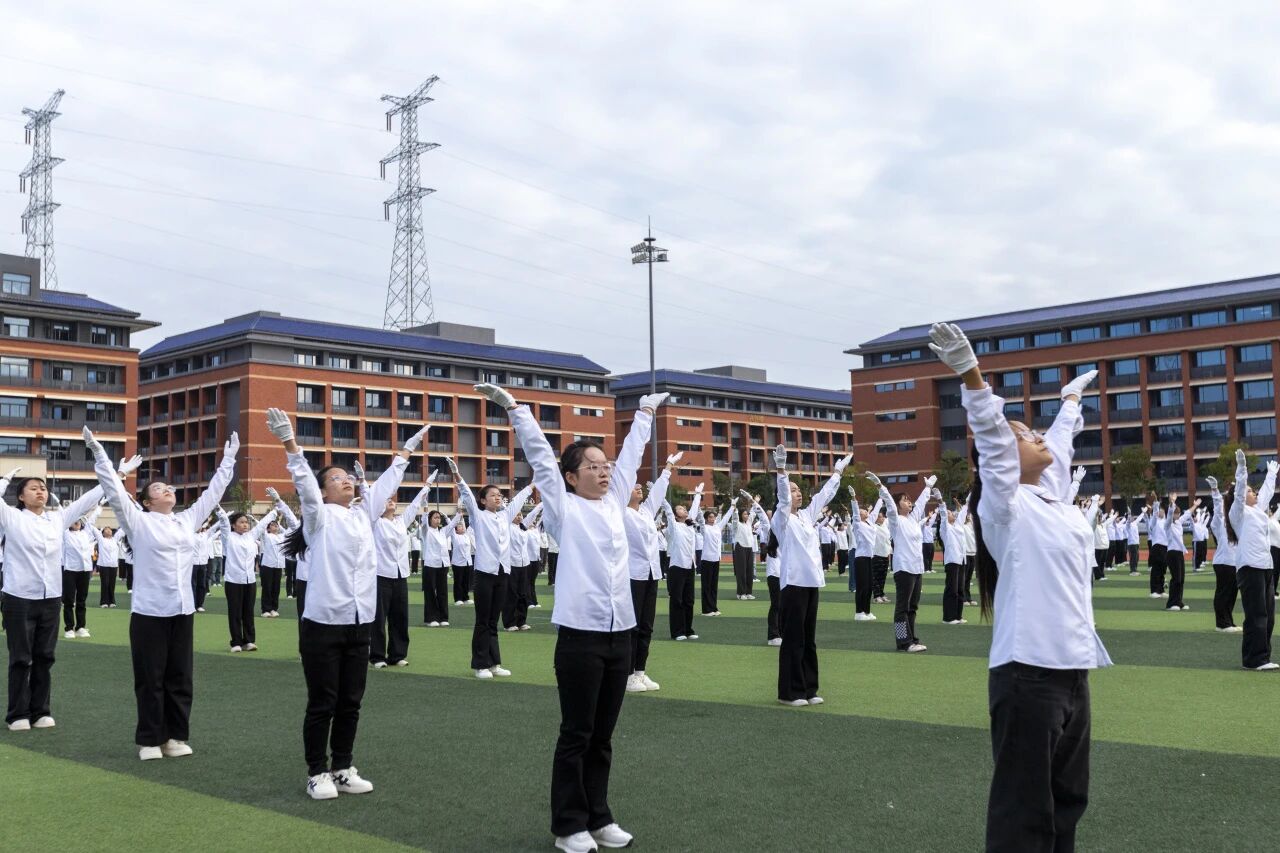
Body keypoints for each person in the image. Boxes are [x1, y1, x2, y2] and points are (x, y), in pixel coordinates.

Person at [929, 321, 1111, 852]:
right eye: (1025, 435)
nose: (1036, 437)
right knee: (1024, 813)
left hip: (1072, 671)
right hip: (1028, 674)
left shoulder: (1051, 497)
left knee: (1068, 802)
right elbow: (992, 439)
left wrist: (1070, 400)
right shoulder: (1005, 507)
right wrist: (971, 374)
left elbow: (1061, 442)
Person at [496, 379, 665, 853]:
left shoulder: (615, 502)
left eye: (604, 465)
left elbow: (631, 457)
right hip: (580, 637)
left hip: (620, 634)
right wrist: (516, 410)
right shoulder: (563, 509)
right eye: (592, 466)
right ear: (572, 477)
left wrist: (645, 415)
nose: (604, 471)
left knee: (603, 736)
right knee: (577, 733)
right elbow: (541, 459)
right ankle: (569, 825)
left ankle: (599, 816)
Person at [267, 407, 420, 799]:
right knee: (323, 702)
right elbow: (304, 484)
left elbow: (385, 486)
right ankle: (316, 772)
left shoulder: (363, 515)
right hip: (322, 624)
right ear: (324, 492)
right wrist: (290, 444)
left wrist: (404, 453)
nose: (346, 480)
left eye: (347, 476)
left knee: (351, 701)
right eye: (336, 478)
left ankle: (342, 767)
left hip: (359, 623)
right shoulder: (319, 517)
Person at [87, 427, 237, 760]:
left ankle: (175, 737)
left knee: (180, 677)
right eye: (158, 488)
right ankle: (150, 740)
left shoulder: (186, 519)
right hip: (149, 612)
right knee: (150, 678)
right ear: (146, 501)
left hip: (182, 610)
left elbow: (213, 493)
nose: (167, 488)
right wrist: (100, 456)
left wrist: (228, 460)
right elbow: (113, 490)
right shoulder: (137, 522)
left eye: (168, 486)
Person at [1, 465, 109, 731]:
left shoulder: (57, 518)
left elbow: (86, 501)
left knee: (45, 656)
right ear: (21, 496)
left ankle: (41, 711)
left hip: (50, 597)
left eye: (43, 488)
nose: (41, 491)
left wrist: (113, 477)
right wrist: (4, 480)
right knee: (21, 658)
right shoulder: (12, 517)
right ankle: (18, 714)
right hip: (19, 597)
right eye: (33, 488)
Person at [773, 445, 850, 707]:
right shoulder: (781, 519)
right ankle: (789, 692)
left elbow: (824, 495)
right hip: (793, 584)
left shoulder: (806, 516)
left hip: (811, 584)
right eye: (793, 490)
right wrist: (781, 470)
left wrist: (837, 473)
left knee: (808, 639)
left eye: (798, 490)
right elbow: (783, 498)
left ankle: (809, 688)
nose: (797, 493)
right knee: (793, 639)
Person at [444, 456, 532, 679]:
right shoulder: (478, 516)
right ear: (483, 500)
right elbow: (467, 495)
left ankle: (494, 663)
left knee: (493, 620)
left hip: (503, 573)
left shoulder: (505, 516)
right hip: (484, 573)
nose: (498, 497)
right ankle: (480, 664)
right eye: (493, 495)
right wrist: (457, 476)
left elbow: (519, 499)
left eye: (499, 495)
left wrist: (532, 485)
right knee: (483, 620)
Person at [624, 451, 679, 693]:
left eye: (639, 486)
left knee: (646, 625)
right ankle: (627, 675)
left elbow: (657, 492)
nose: (639, 488)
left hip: (650, 574)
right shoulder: (620, 512)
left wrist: (668, 467)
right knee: (632, 626)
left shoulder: (646, 511)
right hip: (631, 575)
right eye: (633, 486)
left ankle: (640, 672)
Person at [371, 476, 433, 667]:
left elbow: (414, 506)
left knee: (400, 616)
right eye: (386, 500)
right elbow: (369, 501)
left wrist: (427, 486)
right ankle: (377, 656)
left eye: (391, 499)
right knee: (378, 617)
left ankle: (397, 655)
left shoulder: (400, 522)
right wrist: (363, 482)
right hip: (381, 575)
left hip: (400, 575)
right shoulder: (375, 523)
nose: (390, 501)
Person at [874, 473, 937, 653]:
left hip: (917, 568)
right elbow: (889, 504)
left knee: (913, 607)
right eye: (904, 500)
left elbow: (922, 502)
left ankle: (912, 639)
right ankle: (903, 641)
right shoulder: (895, 521)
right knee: (902, 607)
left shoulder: (913, 518)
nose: (909, 502)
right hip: (904, 568)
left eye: (909, 499)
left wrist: (928, 488)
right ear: (897, 505)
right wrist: (881, 487)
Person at [1227, 449, 1278, 671]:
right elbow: (1239, 493)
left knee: (1268, 616)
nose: (1254, 493)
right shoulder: (1238, 513)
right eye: (1250, 491)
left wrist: (1272, 474)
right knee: (1257, 615)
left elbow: (1266, 492)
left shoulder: (1257, 510)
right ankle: (1254, 659)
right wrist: (1242, 470)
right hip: (1250, 568)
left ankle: (1262, 656)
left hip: (1265, 567)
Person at [217, 507, 277, 653]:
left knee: (248, 611)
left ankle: (249, 641)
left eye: (246, 522)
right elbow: (224, 523)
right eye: (241, 522)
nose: (245, 524)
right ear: (233, 525)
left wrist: (275, 510)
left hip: (250, 581)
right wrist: (220, 511)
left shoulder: (251, 536)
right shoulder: (228, 537)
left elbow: (262, 524)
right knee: (235, 612)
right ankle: (236, 642)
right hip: (233, 581)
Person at [663, 485, 703, 641]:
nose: (684, 509)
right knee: (677, 600)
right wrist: (661, 498)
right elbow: (668, 511)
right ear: (675, 515)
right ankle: (677, 632)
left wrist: (697, 493)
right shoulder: (674, 527)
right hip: (677, 567)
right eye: (680, 508)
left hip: (689, 566)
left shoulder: (689, 526)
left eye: (684, 508)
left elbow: (694, 509)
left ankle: (688, 629)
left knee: (689, 600)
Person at [741, 492, 780, 643]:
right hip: (774, 573)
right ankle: (773, 635)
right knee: (776, 604)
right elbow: (761, 514)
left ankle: (783, 632)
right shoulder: (769, 527)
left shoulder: (789, 529)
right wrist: (752, 500)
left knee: (787, 605)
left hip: (788, 573)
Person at [1205, 476, 1240, 633]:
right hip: (1224, 561)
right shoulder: (1219, 520)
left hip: (1234, 562)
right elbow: (1219, 506)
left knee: (1232, 593)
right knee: (1223, 593)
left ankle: (1229, 621)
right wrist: (1215, 490)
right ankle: (1222, 624)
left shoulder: (1235, 519)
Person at [61, 506, 102, 638]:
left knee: (81, 600)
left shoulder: (86, 533)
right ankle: (69, 628)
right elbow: (63, 517)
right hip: (70, 570)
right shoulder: (65, 534)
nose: (76, 522)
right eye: (74, 520)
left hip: (85, 570)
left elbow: (93, 518)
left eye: (78, 520)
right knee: (68, 601)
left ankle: (80, 627)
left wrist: (99, 507)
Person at [421, 505, 458, 626]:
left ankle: (443, 617)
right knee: (430, 591)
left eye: (439, 517)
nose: (438, 519)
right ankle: (431, 618)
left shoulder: (442, 531)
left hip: (443, 564)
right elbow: (424, 522)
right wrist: (425, 509)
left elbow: (453, 524)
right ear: (430, 519)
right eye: (435, 517)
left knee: (442, 592)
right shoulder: (426, 531)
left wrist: (458, 512)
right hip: (431, 565)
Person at [848, 489, 881, 621]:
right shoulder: (857, 524)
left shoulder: (870, 522)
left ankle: (867, 611)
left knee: (869, 586)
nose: (866, 512)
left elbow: (876, 511)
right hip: (861, 558)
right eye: (863, 511)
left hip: (869, 557)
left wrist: (881, 497)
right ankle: (858, 612)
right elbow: (855, 513)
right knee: (862, 586)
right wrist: (854, 498)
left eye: (866, 511)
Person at [698, 501, 733, 616]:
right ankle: (706, 610)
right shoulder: (704, 528)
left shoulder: (717, 527)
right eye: (710, 517)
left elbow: (726, 518)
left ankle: (713, 607)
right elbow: (701, 521)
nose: (712, 519)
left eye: (713, 517)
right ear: (706, 519)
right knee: (706, 586)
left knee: (713, 585)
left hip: (716, 559)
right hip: (706, 559)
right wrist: (698, 509)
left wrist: (732, 506)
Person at [939, 493, 969, 624]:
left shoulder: (958, 525)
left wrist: (971, 497)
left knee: (960, 589)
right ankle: (948, 617)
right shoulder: (945, 528)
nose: (952, 514)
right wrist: (940, 501)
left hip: (961, 560)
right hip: (952, 561)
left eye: (951, 512)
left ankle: (958, 616)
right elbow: (943, 515)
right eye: (949, 513)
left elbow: (964, 511)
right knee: (952, 590)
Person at [91, 520, 121, 609]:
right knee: (105, 583)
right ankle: (103, 602)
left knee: (112, 584)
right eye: (106, 530)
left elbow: (122, 530)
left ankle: (112, 601)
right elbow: (93, 529)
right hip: (104, 565)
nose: (108, 530)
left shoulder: (115, 539)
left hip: (113, 565)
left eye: (109, 529)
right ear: (103, 533)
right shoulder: (101, 539)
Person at [730, 504, 757, 600]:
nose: (747, 516)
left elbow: (753, 513)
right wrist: (735, 511)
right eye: (745, 514)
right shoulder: (737, 524)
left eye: (747, 514)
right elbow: (735, 519)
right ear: (741, 515)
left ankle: (748, 592)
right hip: (740, 547)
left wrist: (754, 502)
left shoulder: (749, 523)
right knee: (741, 572)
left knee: (750, 571)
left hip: (749, 548)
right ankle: (741, 593)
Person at [448, 517, 472, 606]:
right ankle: (458, 598)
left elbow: (463, 524)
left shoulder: (466, 535)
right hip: (458, 563)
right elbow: (451, 525)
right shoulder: (455, 536)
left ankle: (465, 598)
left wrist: (461, 517)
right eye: (459, 526)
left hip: (467, 562)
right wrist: (447, 518)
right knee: (458, 582)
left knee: (466, 581)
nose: (461, 527)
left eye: (462, 526)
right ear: (456, 529)